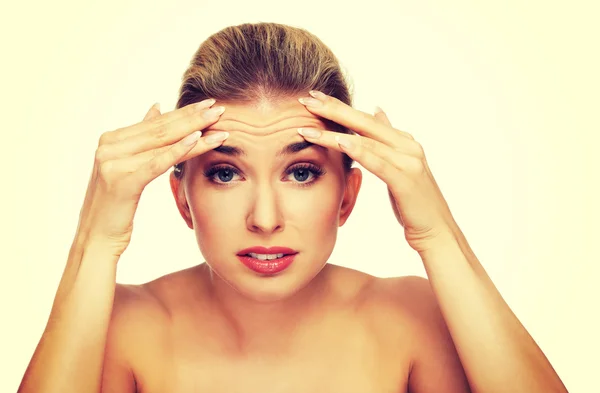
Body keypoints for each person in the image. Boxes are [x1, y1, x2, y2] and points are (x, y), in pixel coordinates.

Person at [17, 22, 568, 393]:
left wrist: (438, 235)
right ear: (182, 196)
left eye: (301, 172)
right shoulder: (121, 327)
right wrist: (97, 241)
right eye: (226, 172)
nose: (264, 218)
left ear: (347, 195)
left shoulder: (413, 318)